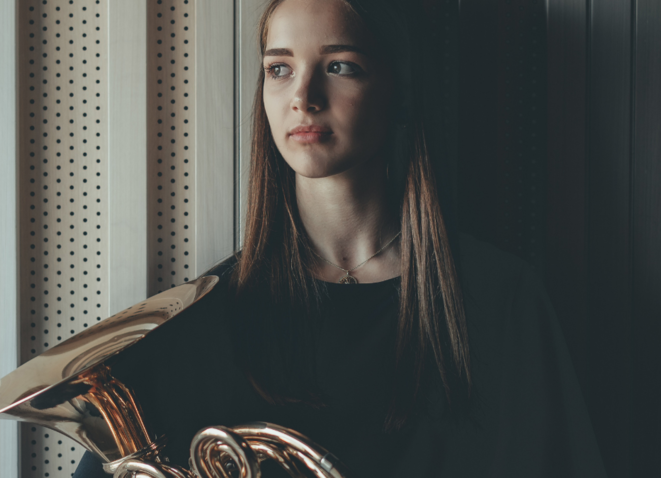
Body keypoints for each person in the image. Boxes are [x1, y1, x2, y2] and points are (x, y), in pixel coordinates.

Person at [75, 0, 607, 476]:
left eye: (339, 66)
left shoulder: (503, 301)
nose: (303, 97)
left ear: (398, 88)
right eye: (279, 69)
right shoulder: (197, 322)